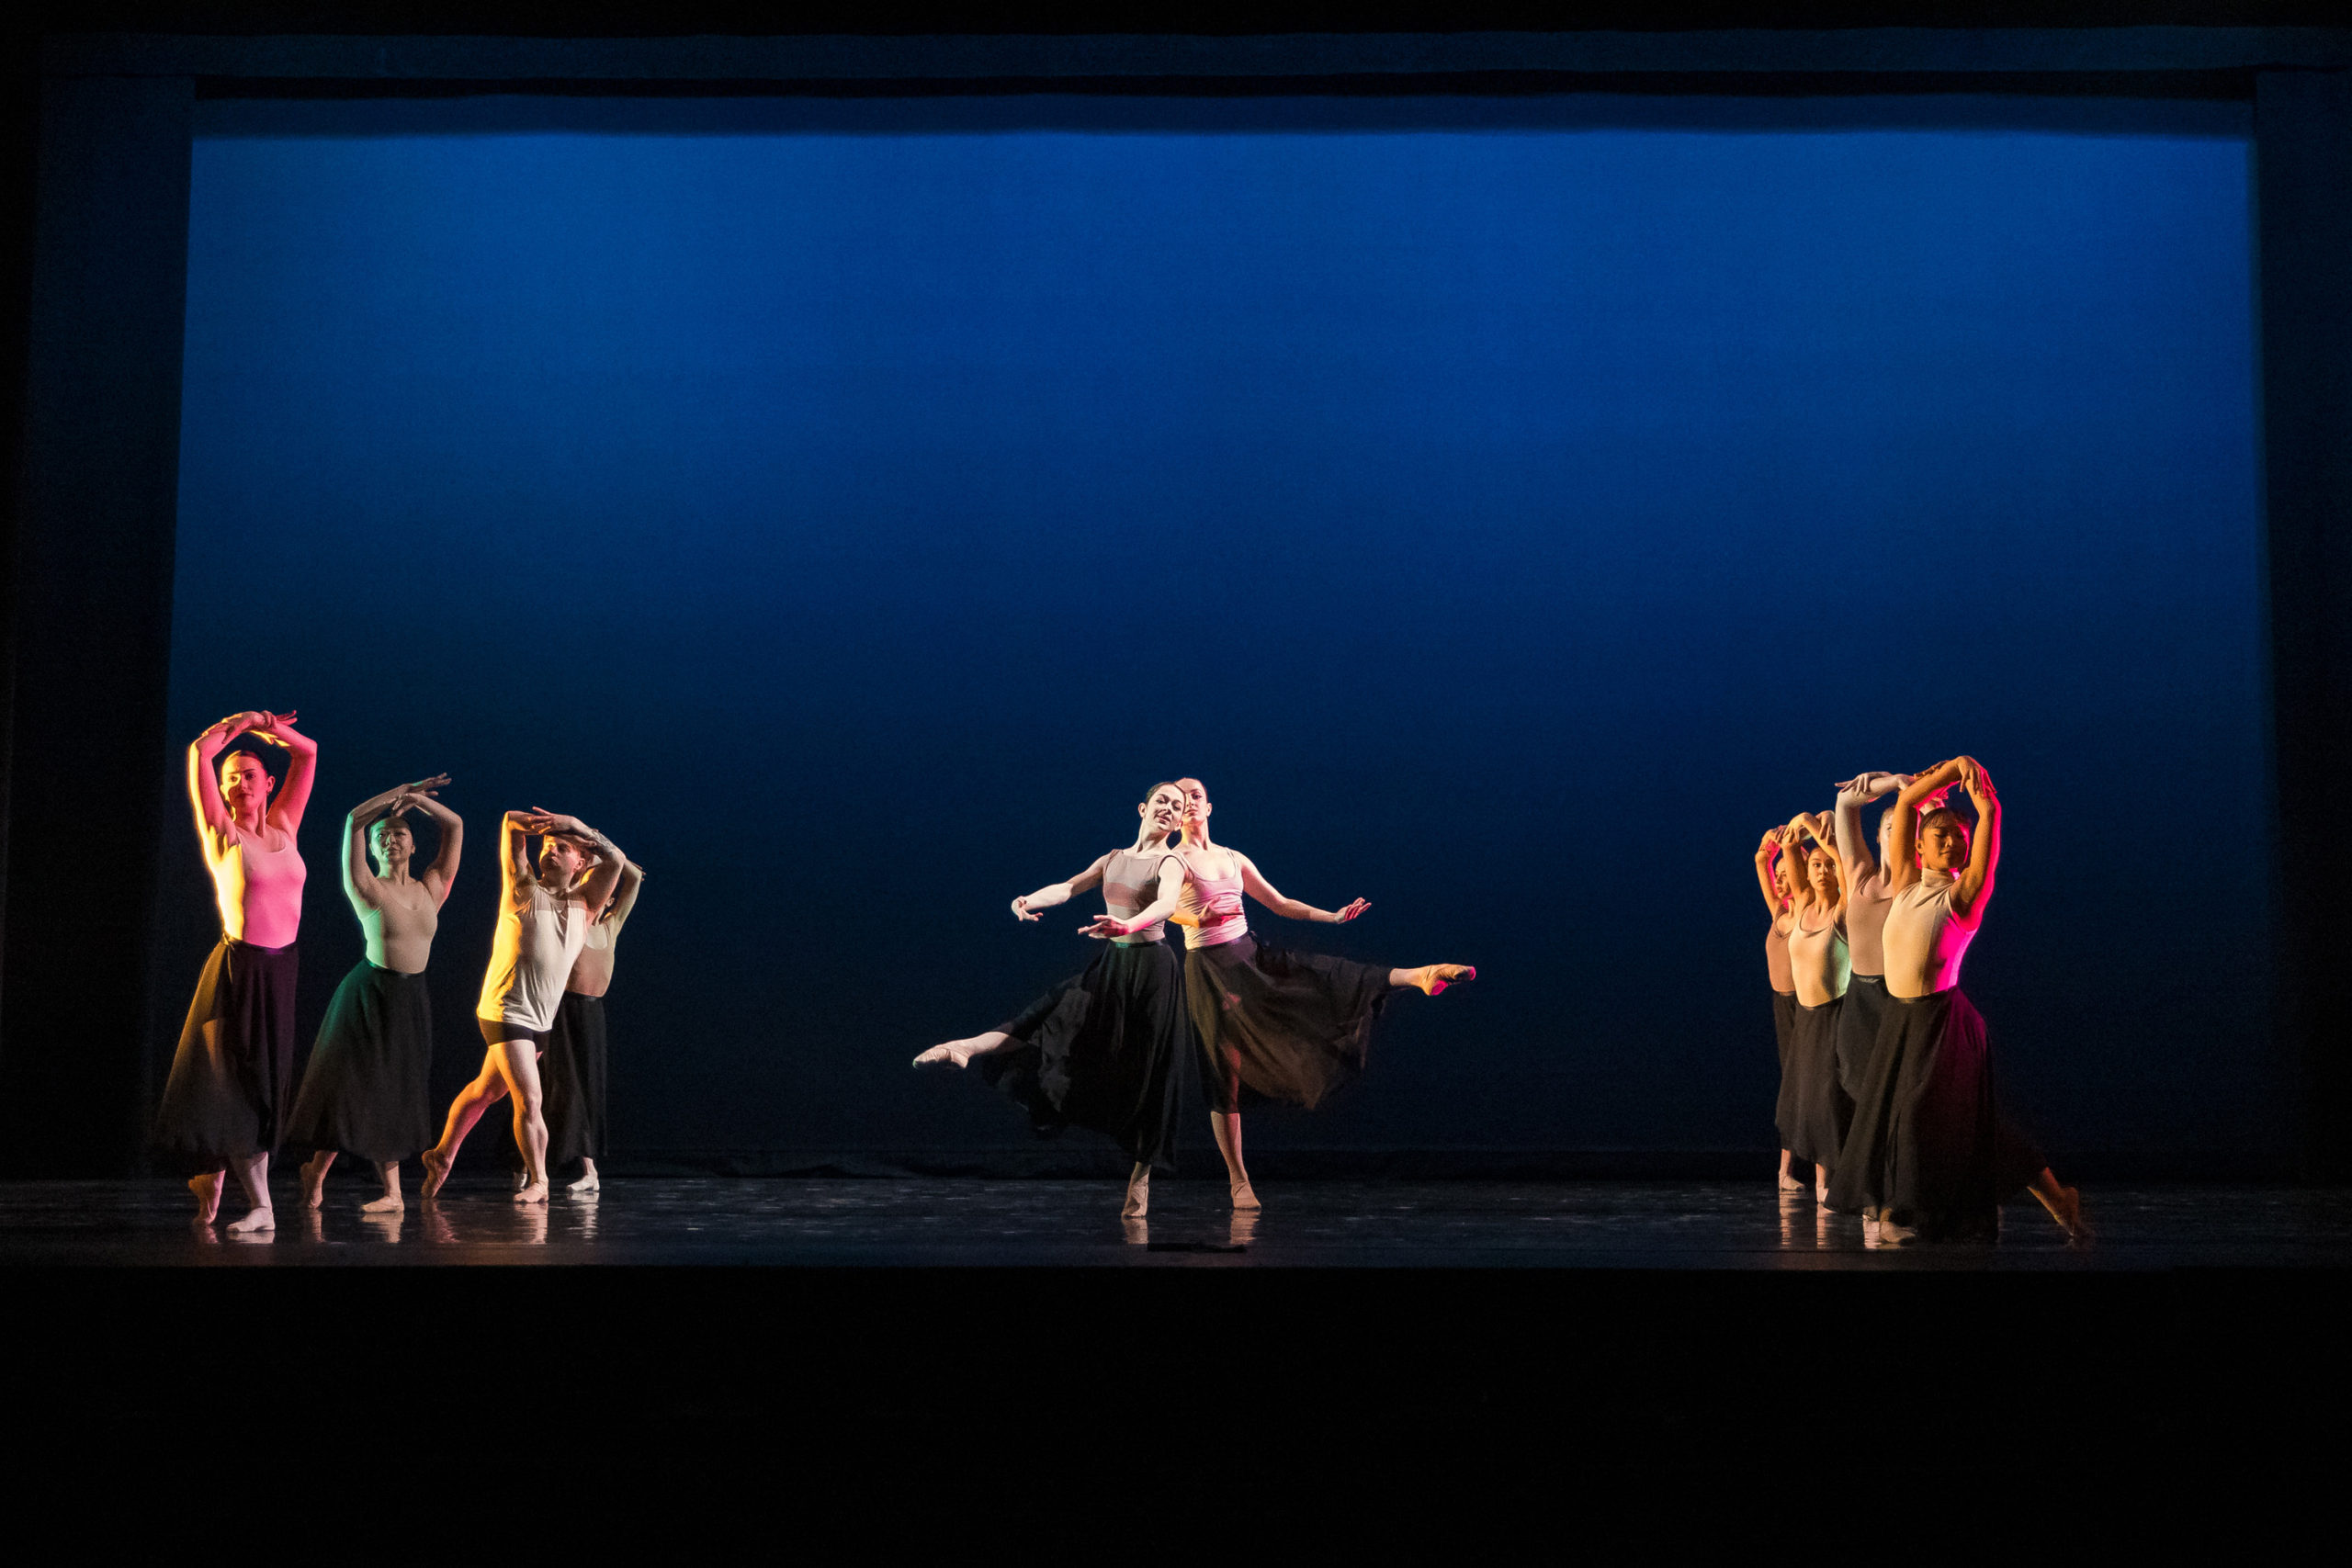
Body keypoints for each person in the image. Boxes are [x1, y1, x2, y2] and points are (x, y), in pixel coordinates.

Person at [1170, 778, 1473, 1211]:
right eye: (1180, 800)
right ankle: (1239, 1181)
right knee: (1225, 1071)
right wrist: (1192, 915)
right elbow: (1153, 908)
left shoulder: (1232, 859)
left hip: (1248, 955)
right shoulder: (1171, 860)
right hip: (1209, 969)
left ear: (1210, 806)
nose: (1189, 804)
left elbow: (1279, 903)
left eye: (1196, 796)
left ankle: (1420, 975)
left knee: (1322, 976)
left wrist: (1332, 917)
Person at [1826, 758, 2087, 1241]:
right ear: (1919, 846)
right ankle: (2053, 1196)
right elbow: (1906, 802)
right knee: (1933, 1124)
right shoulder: (1903, 884)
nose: (1951, 842)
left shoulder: (1963, 897)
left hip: (1943, 1024)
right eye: (1940, 835)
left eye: (1959, 838)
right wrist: (1949, 771)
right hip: (1901, 1020)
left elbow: (1986, 822)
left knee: (1922, 1122)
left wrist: (1985, 806)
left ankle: (1905, 1215)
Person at [915, 784, 1191, 1217]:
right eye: (1163, 801)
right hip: (1113, 965)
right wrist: (1026, 900)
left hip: (1152, 972)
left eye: (1177, 807)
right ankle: (964, 1048)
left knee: (1148, 1074)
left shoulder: (1171, 862)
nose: (1170, 809)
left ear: (1179, 822)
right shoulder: (1113, 859)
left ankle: (1141, 1180)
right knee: (1049, 1015)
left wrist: (1127, 925)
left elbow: (1166, 905)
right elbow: (1066, 888)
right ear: (1143, 807)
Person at [155, 710, 317, 1232]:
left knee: (268, 1087)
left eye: (250, 775)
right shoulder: (223, 835)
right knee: (242, 1089)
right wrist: (240, 722)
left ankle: (221, 1183)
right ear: (222, 793)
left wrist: (272, 729)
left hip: (282, 971)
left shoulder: (287, 825)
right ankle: (262, 1206)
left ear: (268, 784)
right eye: (231, 779)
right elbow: (198, 753)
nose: (240, 784)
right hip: (240, 970)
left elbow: (307, 752)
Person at [421, 809, 628, 1205]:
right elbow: (509, 823)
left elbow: (616, 861)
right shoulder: (523, 887)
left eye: (562, 848)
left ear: (580, 863)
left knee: (486, 1092)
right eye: (547, 847)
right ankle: (540, 1180)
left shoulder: (585, 905)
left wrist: (581, 827)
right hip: (504, 1011)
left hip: (540, 1021)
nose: (550, 851)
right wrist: (545, 827)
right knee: (530, 1099)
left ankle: (442, 1153)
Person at [285, 776, 463, 1212]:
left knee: (398, 1091)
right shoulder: (366, 887)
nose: (389, 840)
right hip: (369, 996)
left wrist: (417, 801)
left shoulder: (431, 889)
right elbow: (352, 821)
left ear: (413, 845)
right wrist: (396, 792)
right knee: (354, 1092)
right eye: (382, 837)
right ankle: (323, 1173)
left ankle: (392, 1193)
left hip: (411, 999)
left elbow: (454, 825)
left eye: (398, 833)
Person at [540, 861, 643, 1196]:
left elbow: (635, 877)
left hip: (592, 1015)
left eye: (606, 886)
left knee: (588, 1091)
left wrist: (602, 851)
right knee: (558, 1090)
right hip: (562, 1012)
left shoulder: (611, 926)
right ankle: (530, 1166)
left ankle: (589, 1170)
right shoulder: (571, 920)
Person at [1827, 773, 1910, 1111]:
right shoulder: (1860, 874)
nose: (1900, 832)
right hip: (1859, 998)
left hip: (1899, 998)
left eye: (1909, 825)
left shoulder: (1916, 885)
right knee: (1859, 1090)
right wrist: (1892, 782)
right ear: (1877, 836)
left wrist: (1921, 796)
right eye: (1891, 826)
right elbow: (1845, 803)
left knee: (1901, 1093)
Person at [1780, 816, 1851, 1202]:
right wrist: (1804, 823)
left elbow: (1847, 866)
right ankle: (1823, 1183)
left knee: (1832, 1104)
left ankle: (1846, 1185)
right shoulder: (1804, 903)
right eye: (1816, 865)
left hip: (1835, 1016)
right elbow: (1790, 846)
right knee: (1808, 1103)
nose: (1823, 871)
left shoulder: (1843, 911)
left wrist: (1831, 843)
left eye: (1828, 865)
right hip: (1805, 1018)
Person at [1753, 826, 1805, 1193]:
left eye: (1789, 875)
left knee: (1810, 1086)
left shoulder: (1805, 911)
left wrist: (1792, 848)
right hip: (1782, 1007)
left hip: (1806, 1008)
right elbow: (1760, 863)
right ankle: (1784, 1171)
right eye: (1780, 876)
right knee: (1791, 1087)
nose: (1782, 881)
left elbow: (1797, 877)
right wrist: (1766, 848)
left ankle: (1824, 1171)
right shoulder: (1777, 911)